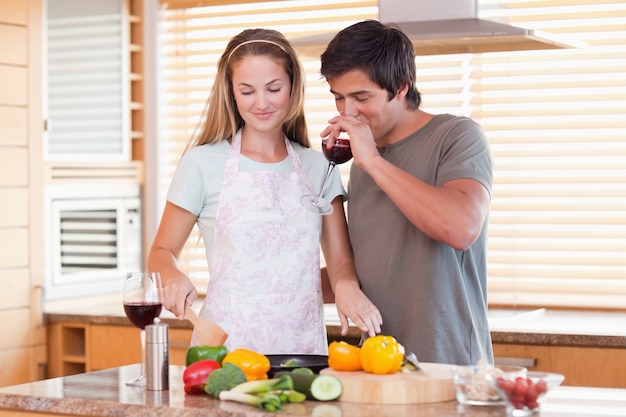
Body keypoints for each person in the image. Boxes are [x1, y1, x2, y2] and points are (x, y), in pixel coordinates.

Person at [148, 28, 382, 355]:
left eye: (273, 88)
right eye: (247, 91)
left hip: (301, 352)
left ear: (292, 87)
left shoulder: (319, 167)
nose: (261, 103)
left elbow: (341, 260)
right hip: (225, 350)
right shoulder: (202, 163)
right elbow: (161, 251)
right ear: (230, 92)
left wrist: (346, 286)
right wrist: (172, 275)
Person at [319, 20, 494, 365]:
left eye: (361, 97)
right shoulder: (363, 164)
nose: (347, 112)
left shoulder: (457, 136)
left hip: (449, 365)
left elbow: (460, 228)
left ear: (400, 87)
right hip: (379, 362)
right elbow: (377, 267)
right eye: (339, 97)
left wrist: (371, 160)